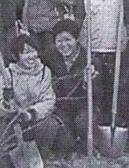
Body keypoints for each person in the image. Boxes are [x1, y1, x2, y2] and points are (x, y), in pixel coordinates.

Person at [0, 33, 56, 168]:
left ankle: (39, 152)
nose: (31, 56)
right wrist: (7, 104)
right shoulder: (8, 73)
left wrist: (31, 113)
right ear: (16, 56)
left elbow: (48, 100)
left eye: (33, 51)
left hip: (34, 119)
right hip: (13, 120)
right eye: (26, 52)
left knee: (51, 124)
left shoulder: (44, 72)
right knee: (1, 162)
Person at [43, 20, 102, 155]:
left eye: (68, 40)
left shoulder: (89, 60)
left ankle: (89, 141)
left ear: (76, 40)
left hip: (84, 107)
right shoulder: (49, 57)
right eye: (59, 41)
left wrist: (89, 82)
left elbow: (98, 96)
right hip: (60, 108)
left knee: (82, 123)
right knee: (65, 144)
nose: (64, 45)